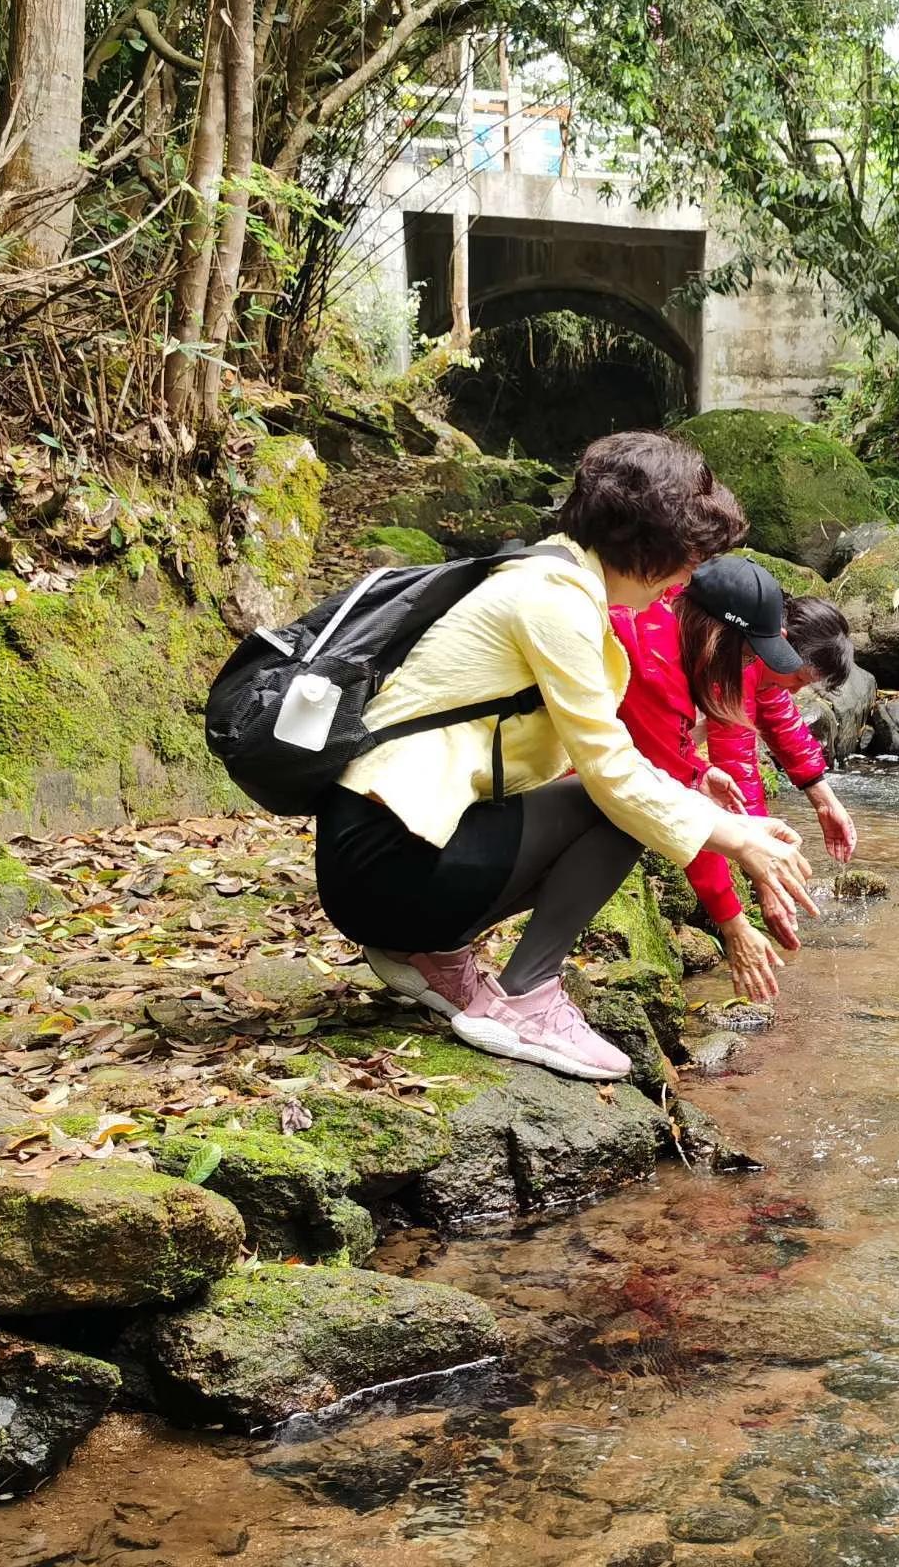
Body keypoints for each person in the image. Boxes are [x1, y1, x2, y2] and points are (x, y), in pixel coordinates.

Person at [313, 431, 814, 1082]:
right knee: (616, 812)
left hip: (377, 853)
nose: (682, 584)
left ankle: (432, 951)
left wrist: (711, 802)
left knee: (641, 800)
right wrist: (735, 839)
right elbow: (613, 773)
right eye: (685, 562)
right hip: (379, 865)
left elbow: (603, 751)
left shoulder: (552, 578)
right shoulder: (553, 601)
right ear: (645, 544)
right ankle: (524, 997)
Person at [612, 556, 859, 1000]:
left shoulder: (739, 641)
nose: (796, 693)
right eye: (798, 678)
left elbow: (774, 713)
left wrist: (822, 797)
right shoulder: (709, 655)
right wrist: (752, 890)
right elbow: (723, 775)